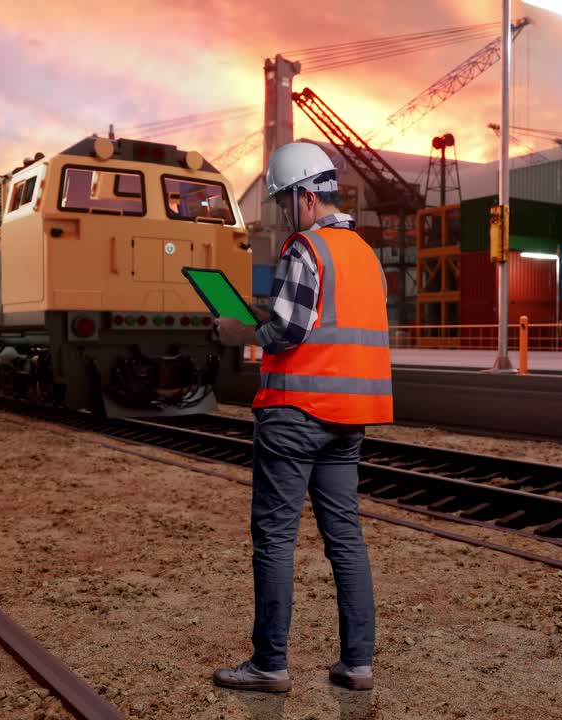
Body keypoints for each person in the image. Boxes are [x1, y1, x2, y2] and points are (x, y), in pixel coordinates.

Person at [211, 142, 393, 693]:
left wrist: (239, 331)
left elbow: (288, 331)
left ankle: (269, 665)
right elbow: (330, 319)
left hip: (295, 415)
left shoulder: (305, 249)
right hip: (349, 418)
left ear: (307, 196)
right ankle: (356, 665)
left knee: (274, 538)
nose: (288, 214)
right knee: (345, 538)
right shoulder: (365, 255)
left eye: (288, 202)